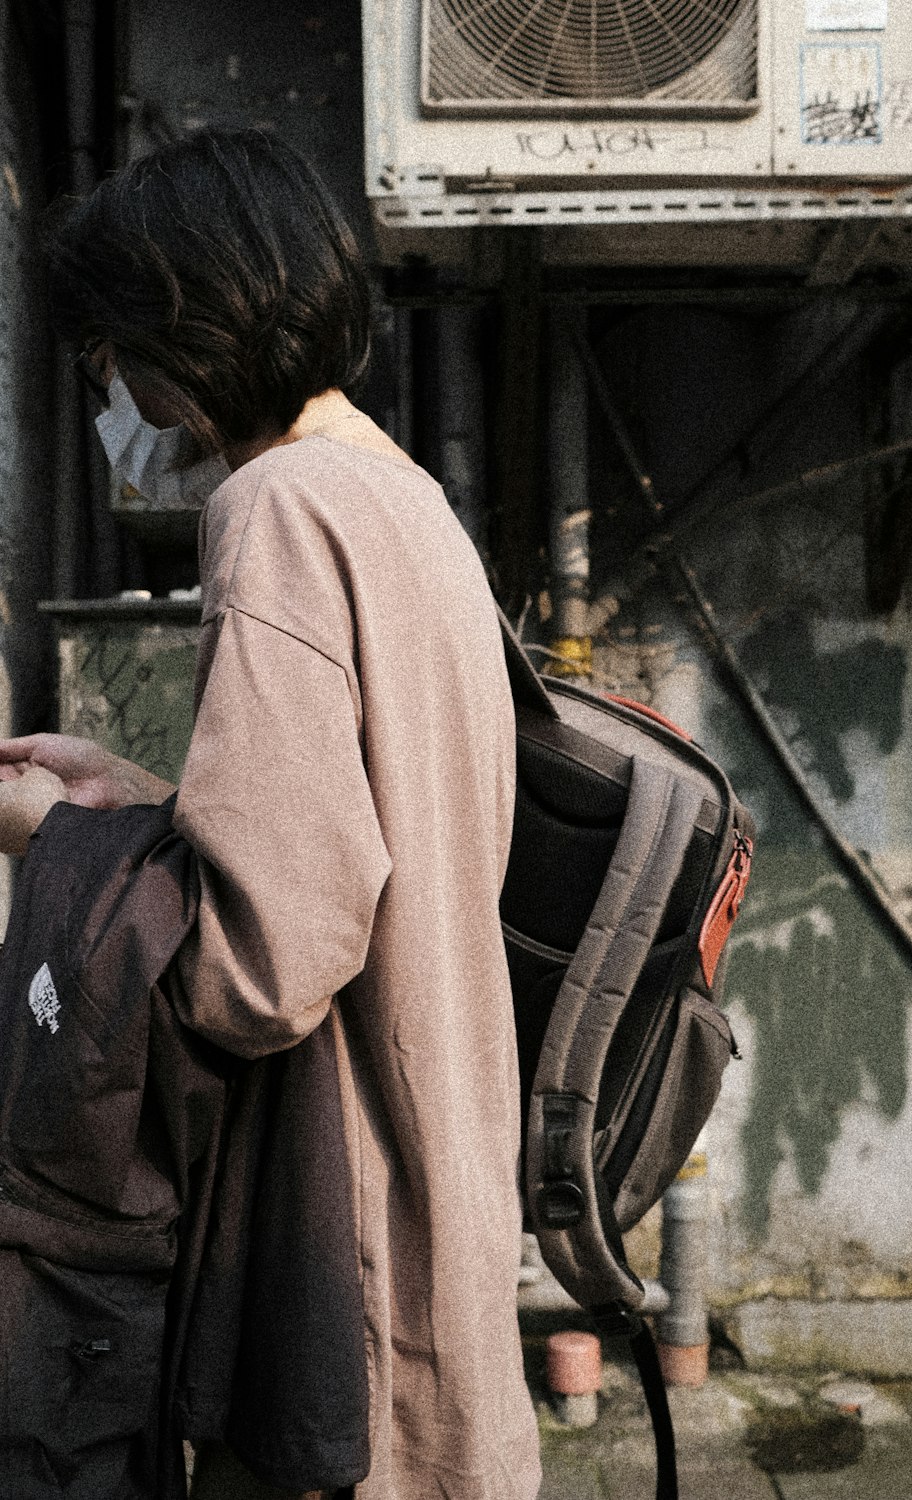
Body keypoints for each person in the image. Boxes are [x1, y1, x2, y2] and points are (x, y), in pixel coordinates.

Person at [0, 129, 541, 1500]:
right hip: (441, 1170)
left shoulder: (274, 513)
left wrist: (55, 849)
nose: (111, 389)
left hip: (339, 1235)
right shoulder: (393, 492)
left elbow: (262, 965)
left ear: (181, 326)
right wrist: (141, 802)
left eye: (110, 353)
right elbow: (362, 830)